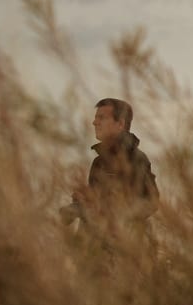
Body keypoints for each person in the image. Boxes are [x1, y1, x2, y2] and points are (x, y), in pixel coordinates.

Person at [62, 97, 160, 243]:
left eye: (101, 118)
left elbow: (150, 202)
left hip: (125, 251)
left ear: (120, 124)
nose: (94, 122)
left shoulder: (136, 159)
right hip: (96, 251)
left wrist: (113, 213)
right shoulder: (99, 162)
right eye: (95, 118)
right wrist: (79, 205)